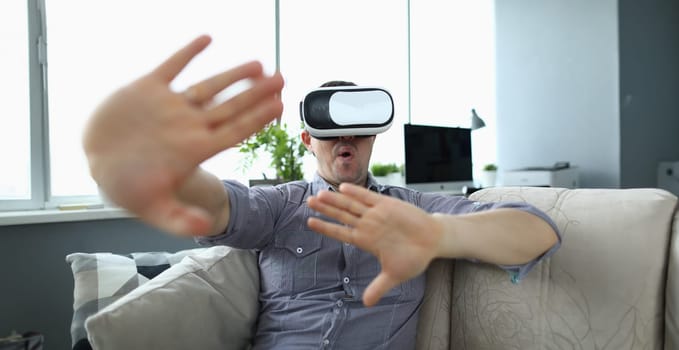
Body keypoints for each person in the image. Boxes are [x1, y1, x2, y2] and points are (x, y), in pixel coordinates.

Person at [83, 35, 561, 350]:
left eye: (359, 131)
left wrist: (438, 234)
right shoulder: (278, 206)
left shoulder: (415, 210)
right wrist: (167, 170)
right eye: (331, 131)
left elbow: (535, 233)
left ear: (375, 137)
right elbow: (217, 206)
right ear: (309, 139)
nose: (346, 140)